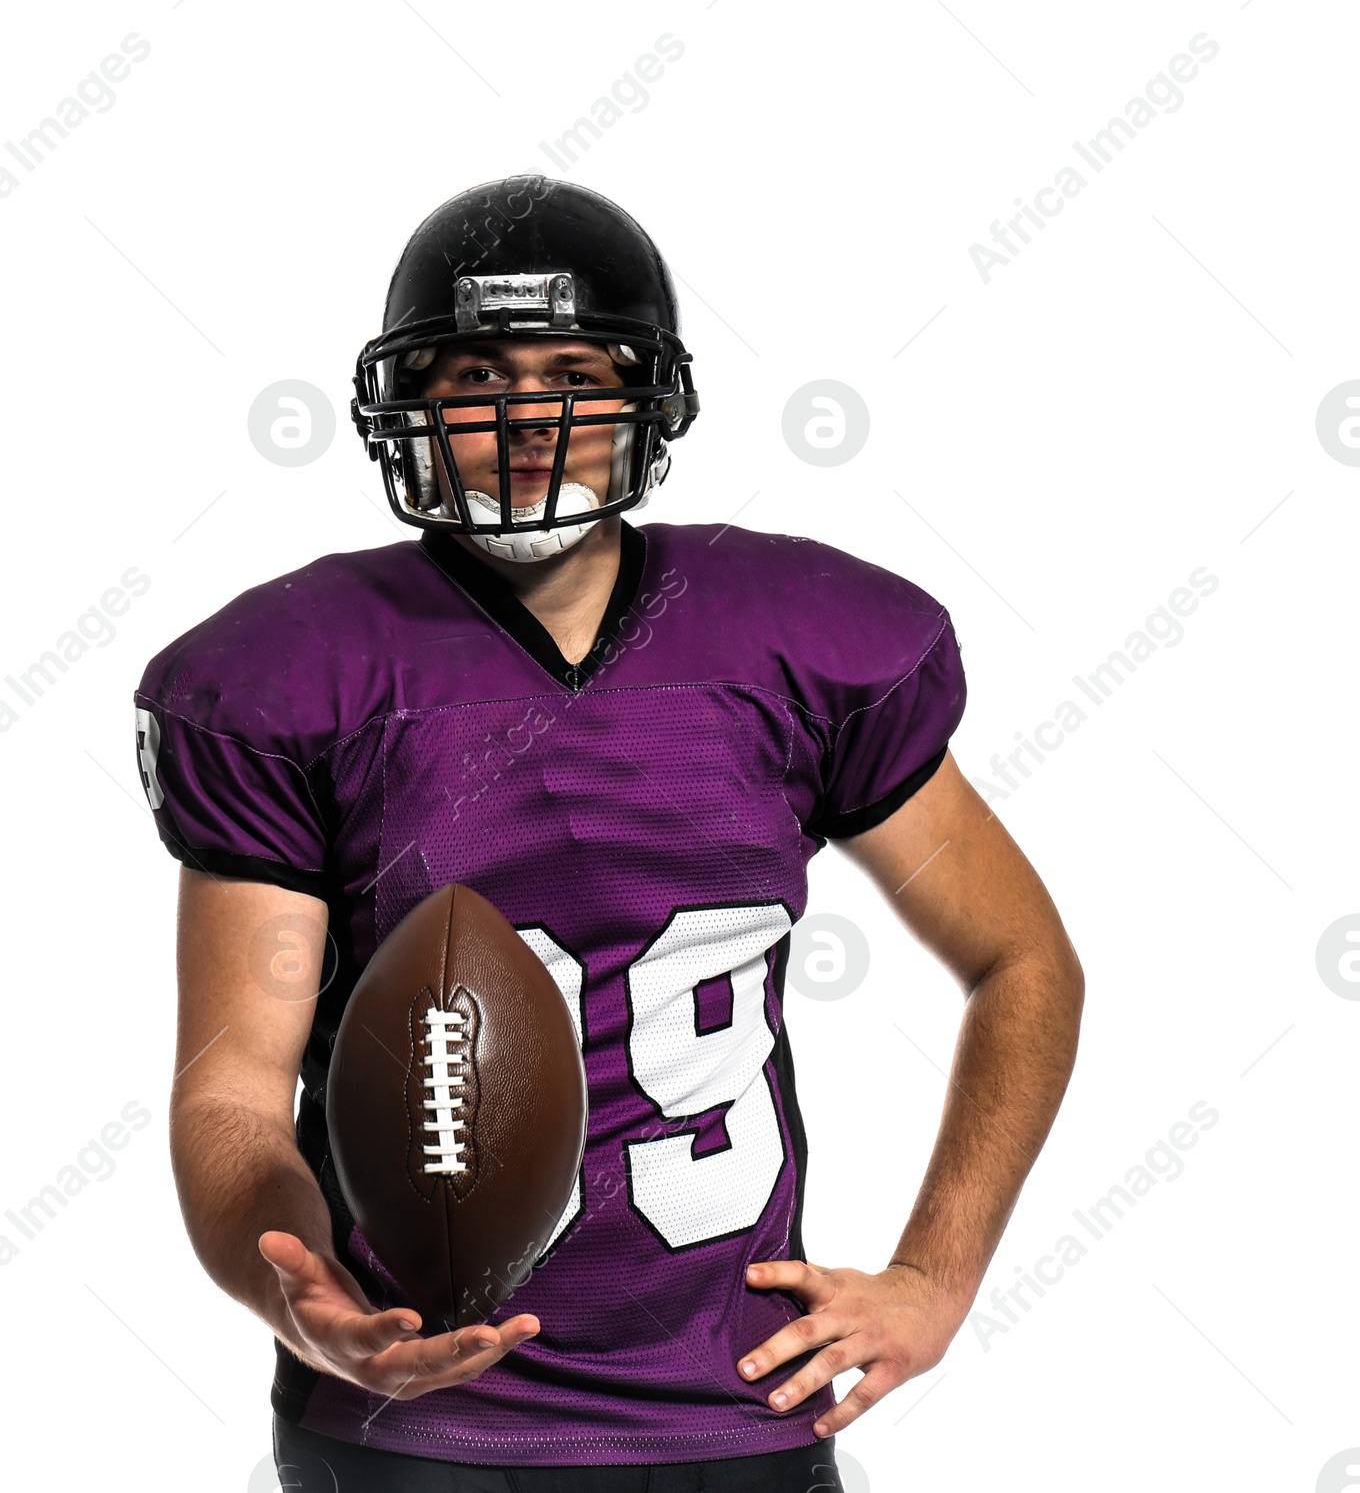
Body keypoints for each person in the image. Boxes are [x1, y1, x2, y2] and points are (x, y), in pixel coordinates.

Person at [132, 175, 1084, 1492]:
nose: (528, 421)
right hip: (411, 1424)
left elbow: (1024, 963)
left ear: (650, 395)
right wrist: (294, 1290)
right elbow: (234, 1091)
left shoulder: (800, 646)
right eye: (477, 376)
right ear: (408, 402)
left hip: (737, 1404)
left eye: (572, 370)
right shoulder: (297, 681)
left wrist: (935, 1276)